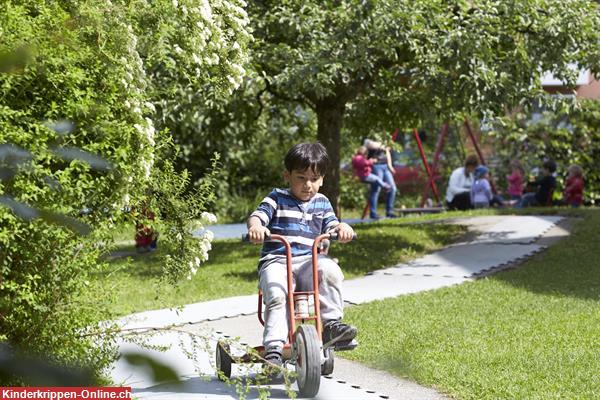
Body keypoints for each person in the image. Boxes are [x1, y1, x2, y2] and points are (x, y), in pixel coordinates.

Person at [247, 142, 356, 369]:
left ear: (322, 179)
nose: (308, 185)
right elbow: (258, 216)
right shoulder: (276, 198)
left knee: (331, 271)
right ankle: (274, 351)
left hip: (310, 261)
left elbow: (332, 225)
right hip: (278, 260)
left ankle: (331, 326)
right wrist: (256, 227)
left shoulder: (322, 202)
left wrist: (342, 228)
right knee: (277, 295)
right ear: (287, 176)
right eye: (301, 178)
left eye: (314, 179)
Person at [362, 138, 397, 219]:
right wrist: (384, 146)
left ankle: (389, 211)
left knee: (393, 188)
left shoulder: (384, 140)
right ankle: (373, 213)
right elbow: (370, 145)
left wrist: (390, 165)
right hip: (376, 166)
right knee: (376, 189)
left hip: (385, 166)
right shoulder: (370, 139)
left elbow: (387, 152)